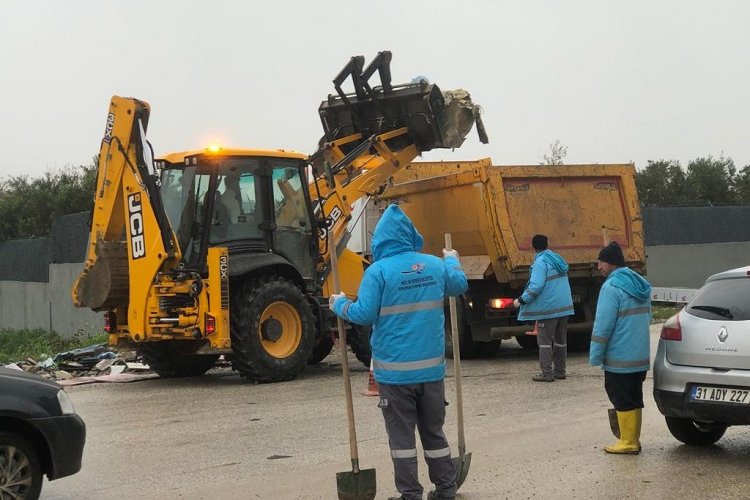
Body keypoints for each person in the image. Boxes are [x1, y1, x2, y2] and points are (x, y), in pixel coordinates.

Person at [329, 204, 468, 500]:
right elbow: (459, 284)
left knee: (402, 439)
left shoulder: (378, 271)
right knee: (434, 433)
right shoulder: (434, 265)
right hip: (432, 372)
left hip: (394, 375)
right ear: (411, 235)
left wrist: (338, 304)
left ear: (380, 240)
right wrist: (453, 260)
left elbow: (364, 314)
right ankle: (446, 488)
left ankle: (410, 495)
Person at [589, 241, 652, 454]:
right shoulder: (641, 285)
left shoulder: (611, 287)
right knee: (634, 397)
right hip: (639, 356)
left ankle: (628, 442)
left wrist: (596, 355)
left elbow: (603, 325)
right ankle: (633, 438)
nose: (599, 266)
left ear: (611, 264)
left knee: (620, 397)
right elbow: (648, 318)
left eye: (601, 262)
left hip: (619, 357)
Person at [513, 234, 574, 382]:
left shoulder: (541, 262)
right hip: (564, 307)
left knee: (545, 341)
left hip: (549, 308)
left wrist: (522, 300)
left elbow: (536, 286)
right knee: (561, 340)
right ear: (547, 244)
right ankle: (560, 371)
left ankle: (547, 373)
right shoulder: (557, 259)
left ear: (533, 247)